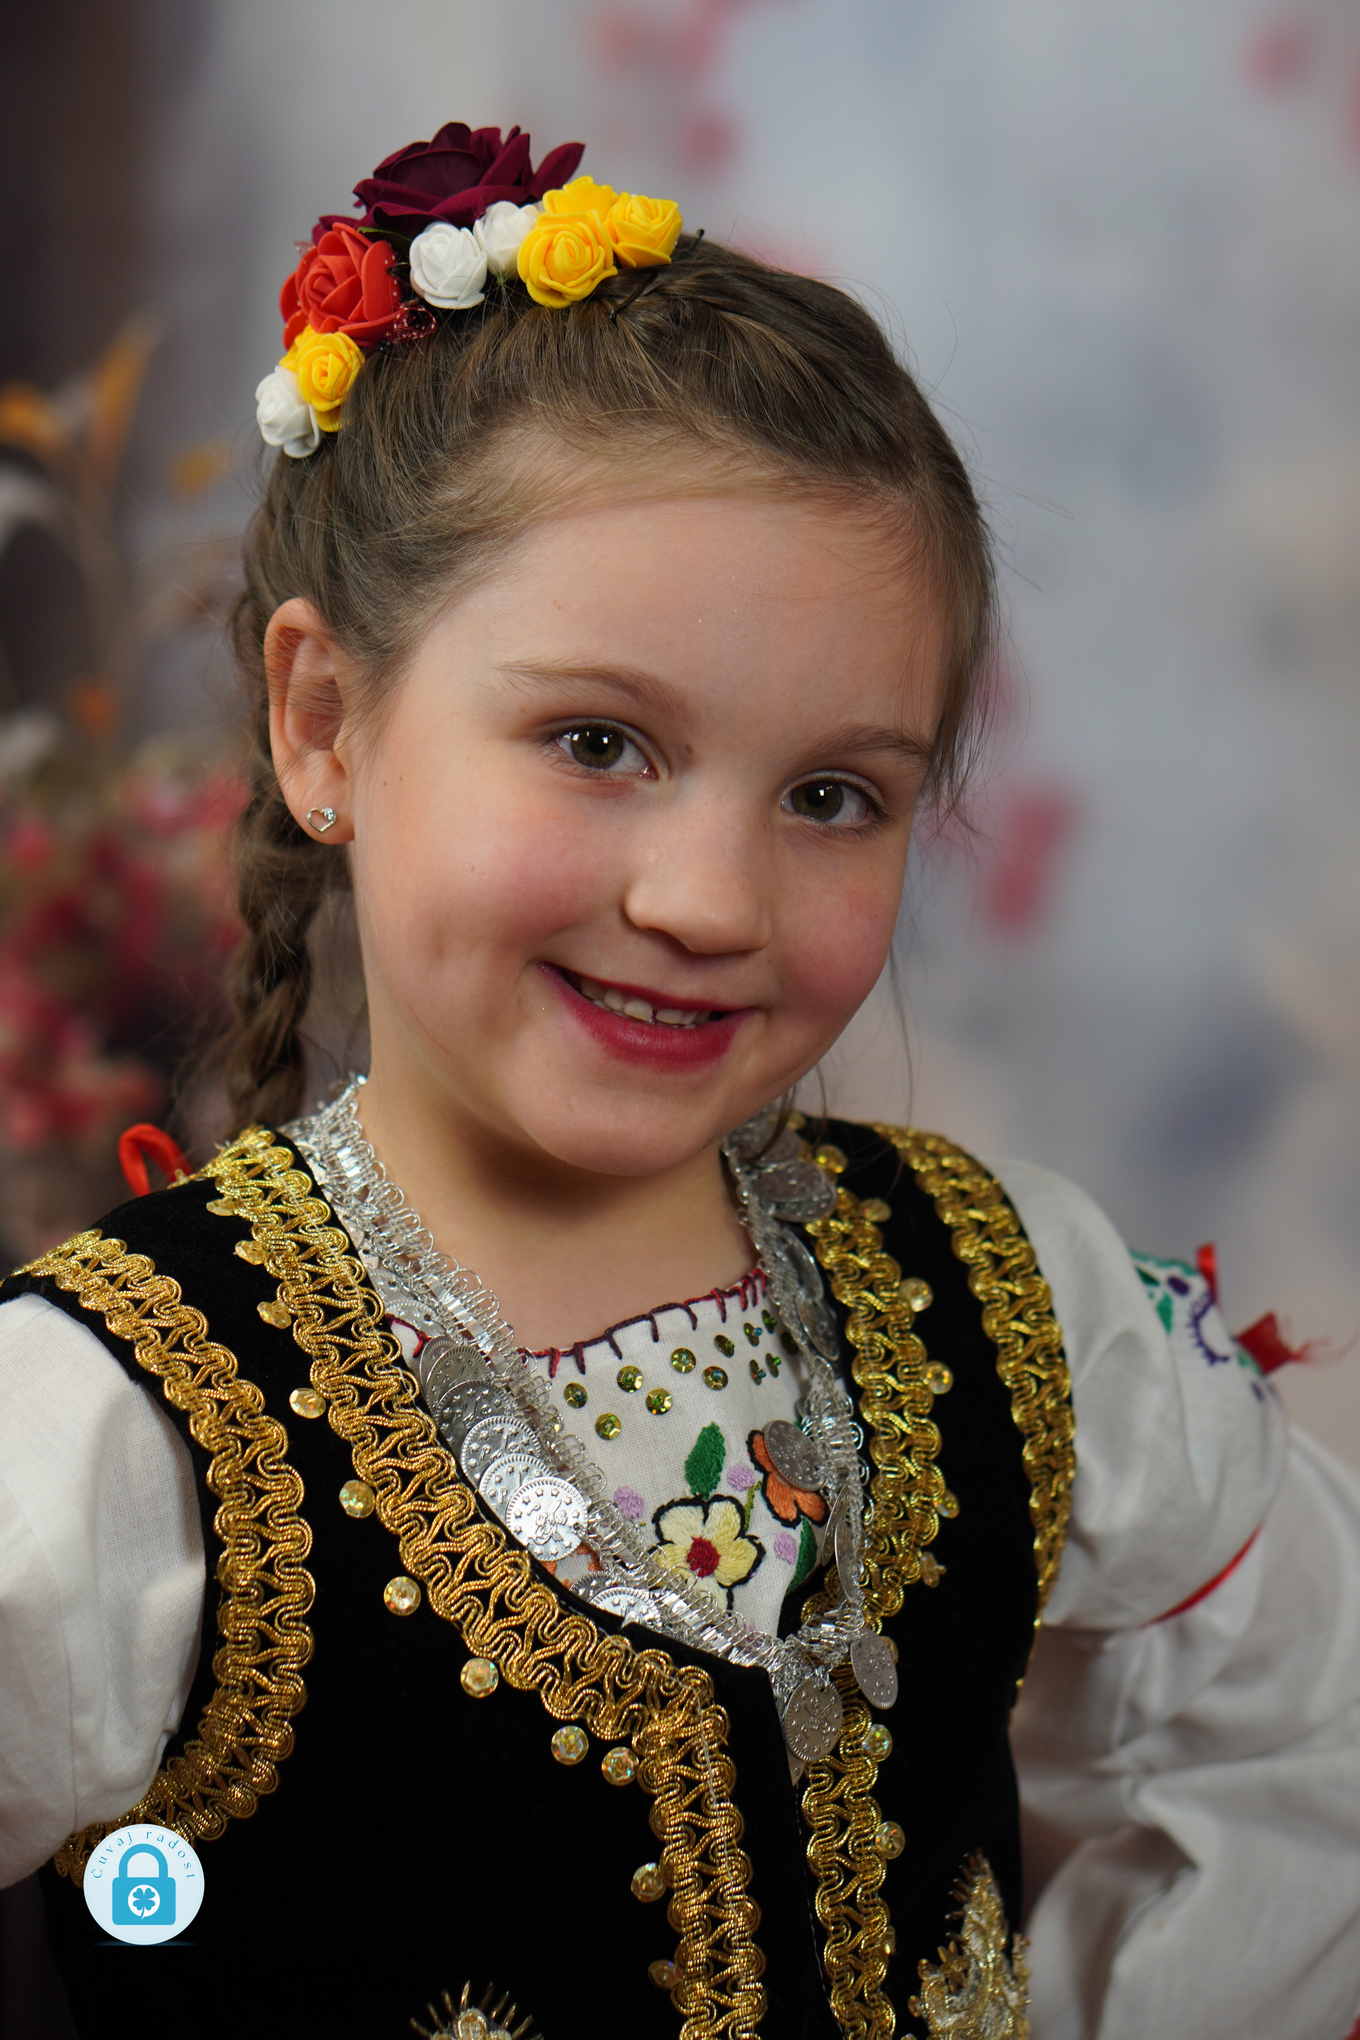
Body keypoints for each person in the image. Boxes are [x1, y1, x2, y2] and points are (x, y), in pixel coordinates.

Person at [0, 119, 1356, 2040]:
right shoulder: (108, 1432)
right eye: (597, 743)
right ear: (326, 723)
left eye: (834, 795)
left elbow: (1301, 1726)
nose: (710, 901)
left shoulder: (1020, 1296)